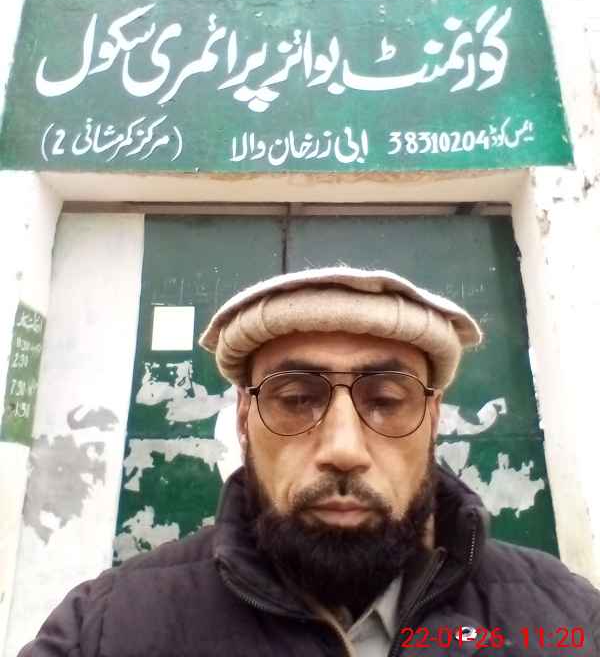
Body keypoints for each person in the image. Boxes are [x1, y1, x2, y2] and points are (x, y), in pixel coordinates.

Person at [19, 267, 600, 656]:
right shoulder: (103, 631)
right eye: (296, 399)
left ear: (433, 417)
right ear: (243, 417)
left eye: (387, 400)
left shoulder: (569, 620)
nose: (343, 449)